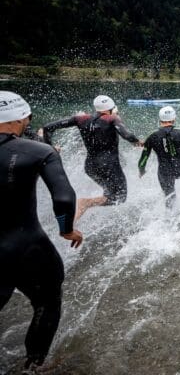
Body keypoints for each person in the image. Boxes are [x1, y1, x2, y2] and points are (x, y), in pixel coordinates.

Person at [0, 92, 83, 371]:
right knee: (47, 302)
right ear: (20, 118)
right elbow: (63, 198)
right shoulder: (38, 151)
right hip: (24, 245)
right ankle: (33, 365)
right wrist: (66, 229)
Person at [42, 95, 142, 221]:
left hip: (90, 167)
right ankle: (85, 203)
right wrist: (139, 142)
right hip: (109, 166)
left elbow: (47, 128)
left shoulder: (81, 118)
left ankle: (70, 226)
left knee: (109, 194)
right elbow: (127, 135)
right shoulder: (112, 118)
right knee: (120, 198)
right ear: (111, 108)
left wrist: (50, 148)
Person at [139, 106, 180, 206]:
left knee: (170, 198)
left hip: (164, 172)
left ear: (160, 119)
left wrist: (141, 170)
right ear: (174, 119)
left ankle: (168, 218)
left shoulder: (152, 136)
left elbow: (144, 157)